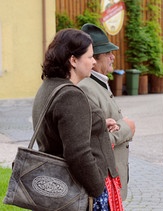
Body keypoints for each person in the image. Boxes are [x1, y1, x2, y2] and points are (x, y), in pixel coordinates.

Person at [32, 28, 123, 210]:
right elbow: (77, 154)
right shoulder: (71, 95)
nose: (93, 61)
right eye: (90, 57)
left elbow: (58, 131)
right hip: (78, 190)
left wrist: (93, 124)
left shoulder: (49, 86)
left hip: (60, 187)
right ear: (73, 60)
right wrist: (99, 188)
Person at [79, 23, 136, 200]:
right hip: (104, 181)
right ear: (93, 59)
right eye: (107, 53)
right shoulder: (86, 88)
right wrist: (126, 128)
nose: (112, 57)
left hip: (111, 178)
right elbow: (93, 140)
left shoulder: (98, 82)